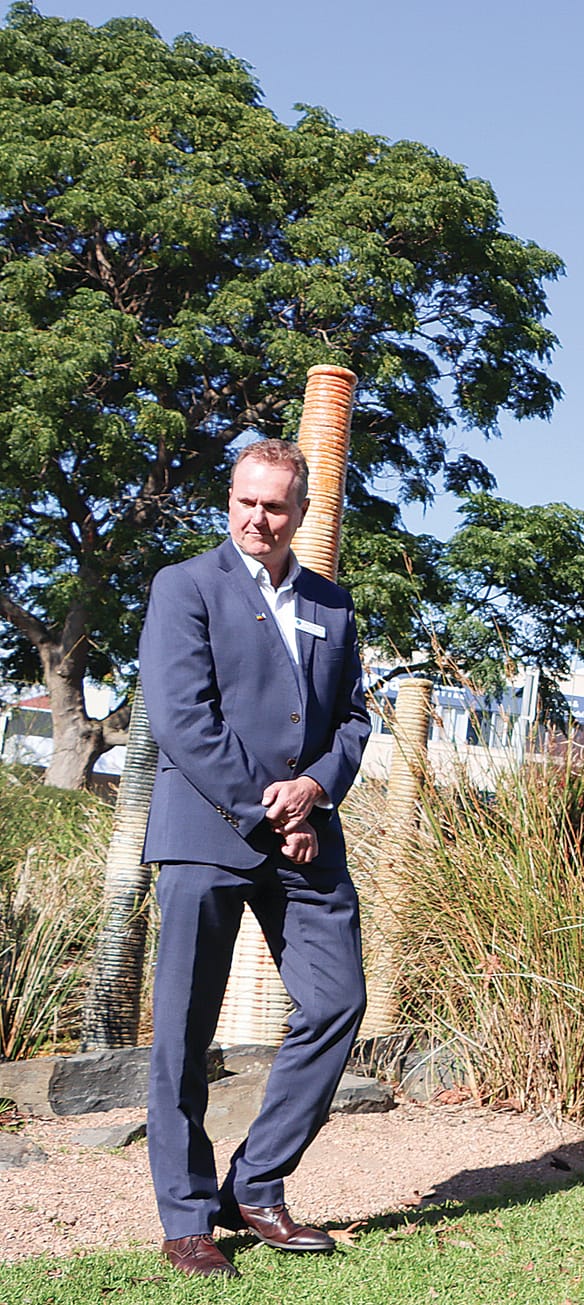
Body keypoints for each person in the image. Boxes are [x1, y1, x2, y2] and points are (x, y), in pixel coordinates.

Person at [139, 438, 371, 1279]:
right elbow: (182, 717)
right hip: (208, 833)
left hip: (307, 834)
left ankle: (256, 1183)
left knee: (339, 998)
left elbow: (353, 721)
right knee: (184, 1032)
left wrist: (313, 787)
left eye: (276, 506)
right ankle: (187, 1215)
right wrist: (272, 810)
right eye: (246, 500)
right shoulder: (186, 586)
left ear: (302, 515)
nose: (257, 518)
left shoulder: (333, 604)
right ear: (228, 497)